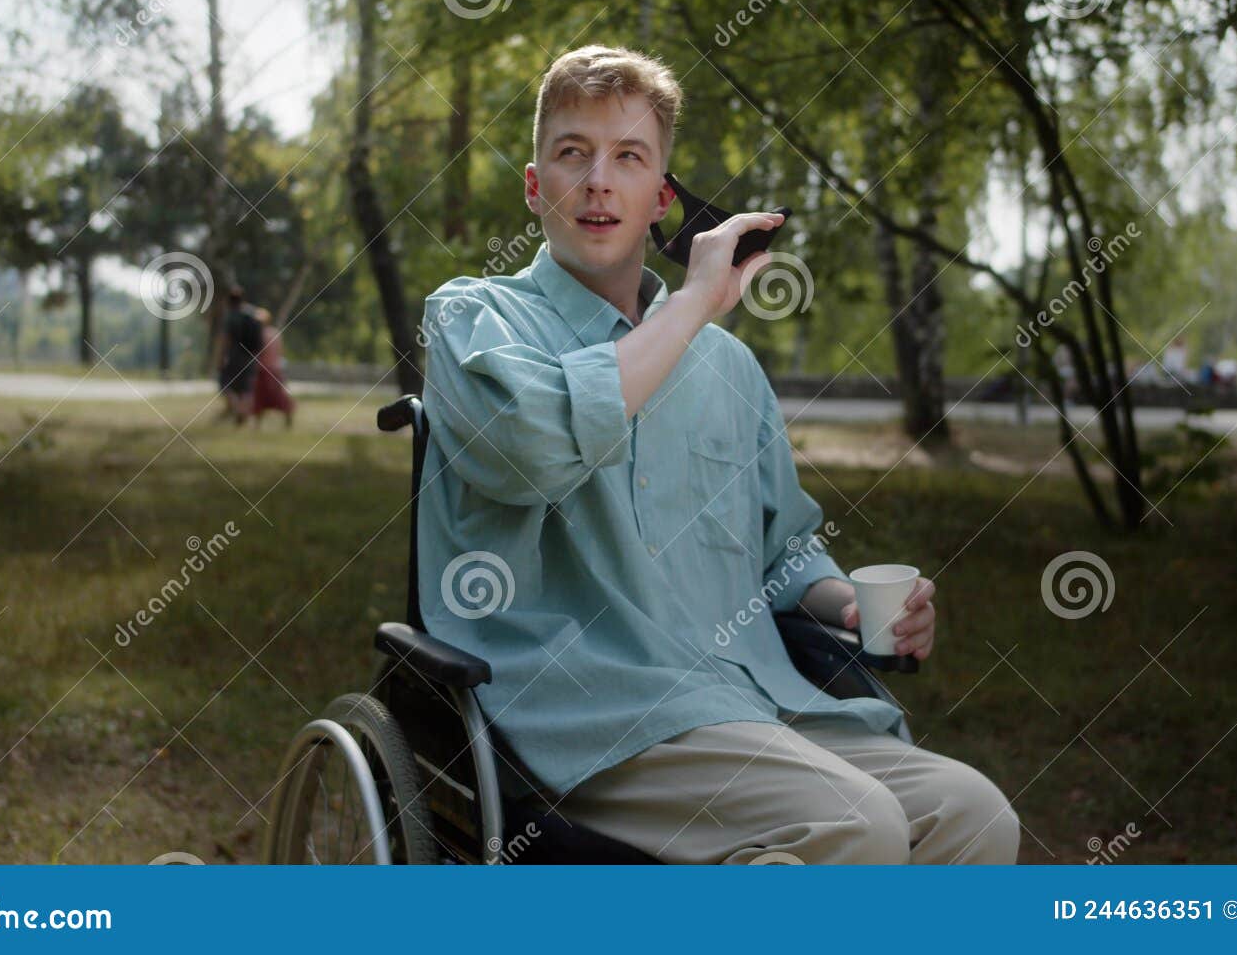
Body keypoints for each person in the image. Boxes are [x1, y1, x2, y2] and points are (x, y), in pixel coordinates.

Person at [414, 46, 1019, 864]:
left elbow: (783, 550)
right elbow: (529, 451)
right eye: (572, 153)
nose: (599, 181)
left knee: (973, 813)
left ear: (661, 197)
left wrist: (847, 602)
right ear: (535, 187)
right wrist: (699, 298)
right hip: (589, 706)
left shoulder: (728, 368)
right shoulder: (474, 318)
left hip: (747, 696)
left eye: (628, 157)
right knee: (855, 825)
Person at [216, 286, 262, 425]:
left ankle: (237, 409)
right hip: (251, 356)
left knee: (226, 384)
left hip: (235, 355)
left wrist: (220, 358)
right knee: (246, 388)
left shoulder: (231, 316)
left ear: (228, 301)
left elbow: (225, 340)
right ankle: (243, 411)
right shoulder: (253, 314)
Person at [250, 306, 295, 428]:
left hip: (264, 369)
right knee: (276, 396)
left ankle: (257, 424)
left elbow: (259, 352)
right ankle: (287, 416)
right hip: (275, 369)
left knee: (261, 398)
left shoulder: (261, 335)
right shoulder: (276, 333)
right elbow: (281, 351)